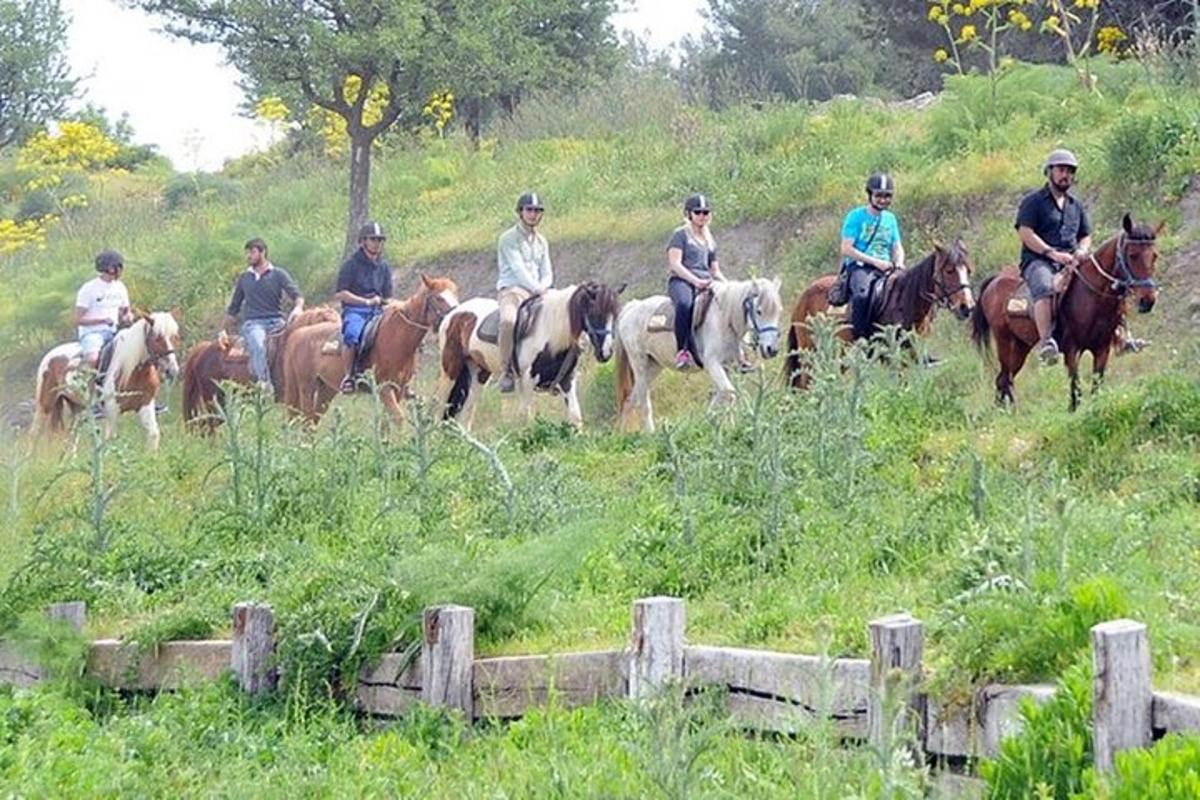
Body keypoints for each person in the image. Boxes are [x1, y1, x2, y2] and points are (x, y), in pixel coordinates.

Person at [222, 238, 303, 394]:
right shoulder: (244, 278)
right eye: (247, 253)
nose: (249, 256)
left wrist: (298, 308)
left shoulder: (279, 274)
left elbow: (297, 295)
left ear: (262, 252)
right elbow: (234, 309)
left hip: (277, 321)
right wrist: (223, 330)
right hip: (254, 323)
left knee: (296, 341)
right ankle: (264, 382)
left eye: (252, 252)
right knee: (258, 345)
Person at [496, 192, 553, 393]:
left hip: (538, 292)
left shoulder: (542, 242)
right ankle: (506, 371)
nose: (533, 214)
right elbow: (518, 270)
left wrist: (544, 288)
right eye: (529, 210)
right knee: (508, 322)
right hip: (512, 290)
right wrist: (538, 288)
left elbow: (547, 272)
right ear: (520, 212)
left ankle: (560, 369)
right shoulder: (508, 239)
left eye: (537, 211)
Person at [667, 194, 730, 370]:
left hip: (706, 282)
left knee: (732, 304)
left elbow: (715, 270)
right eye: (698, 212)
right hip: (682, 281)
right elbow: (675, 264)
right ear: (689, 214)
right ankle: (683, 350)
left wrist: (729, 286)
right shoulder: (680, 235)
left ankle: (738, 351)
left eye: (706, 212)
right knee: (685, 305)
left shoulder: (709, 240)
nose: (702, 216)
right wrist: (695, 281)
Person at [841, 173, 905, 342]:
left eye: (887, 196)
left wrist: (899, 262)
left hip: (888, 267)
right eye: (879, 195)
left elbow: (897, 245)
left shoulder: (890, 219)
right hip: (861, 266)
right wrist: (875, 262)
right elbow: (846, 249)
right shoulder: (855, 217)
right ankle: (861, 340)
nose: (883, 200)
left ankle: (910, 342)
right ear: (870, 195)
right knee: (862, 296)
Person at [335, 221, 393, 393]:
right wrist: (365, 301)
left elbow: (387, 295)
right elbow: (340, 293)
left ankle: (401, 376)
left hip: (378, 310)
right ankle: (349, 377)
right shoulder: (350, 265)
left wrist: (386, 304)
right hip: (356, 310)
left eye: (380, 240)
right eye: (373, 239)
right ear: (363, 241)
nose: (377, 243)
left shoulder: (384, 267)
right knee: (352, 334)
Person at [76, 249, 132, 372]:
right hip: (93, 333)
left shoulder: (120, 288)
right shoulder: (89, 288)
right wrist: (102, 320)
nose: (121, 270)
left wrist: (127, 317)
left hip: (115, 333)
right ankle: (85, 386)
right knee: (93, 359)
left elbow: (126, 311)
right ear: (110, 268)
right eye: (119, 267)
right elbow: (79, 319)